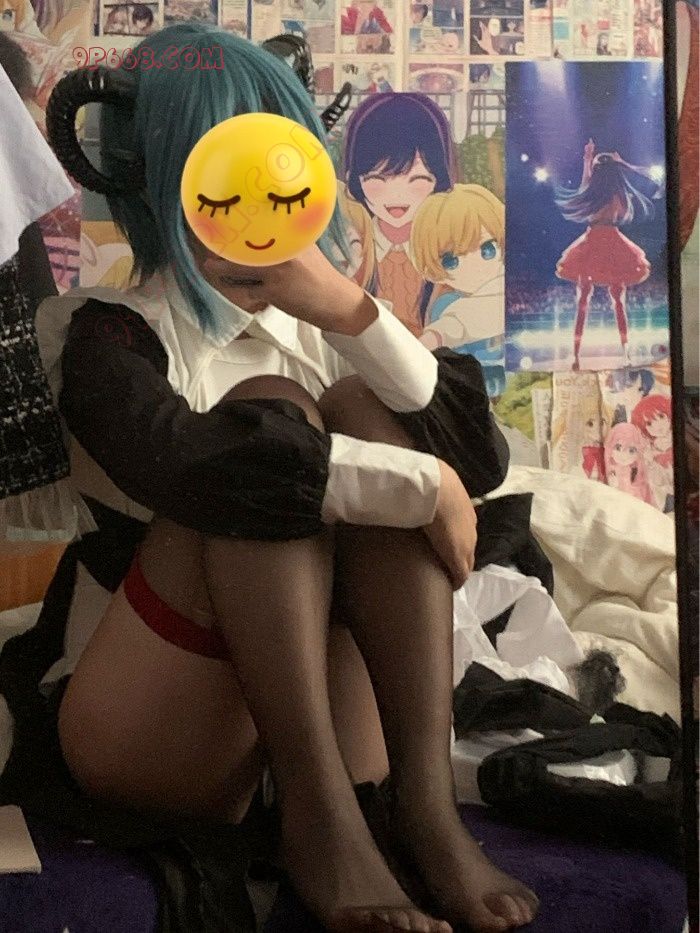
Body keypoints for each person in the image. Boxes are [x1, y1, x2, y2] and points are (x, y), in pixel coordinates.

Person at [33, 23, 538, 933]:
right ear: (156, 173)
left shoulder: (333, 328)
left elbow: (480, 459)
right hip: (162, 723)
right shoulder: (102, 333)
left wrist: (353, 312)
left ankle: (424, 811)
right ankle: (320, 823)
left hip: (352, 728)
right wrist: (419, 485)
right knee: (270, 408)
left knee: (357, 403)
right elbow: (205, 466)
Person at [343, 93, 457, 335]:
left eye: (417, 179)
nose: (396, 195)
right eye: (378, 178)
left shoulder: (454, 252)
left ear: (439, 180)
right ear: (355, 180)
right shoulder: (349, 249)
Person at [555, 139, 663, 371]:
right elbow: (647, 179)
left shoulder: (592, 193)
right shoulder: (617, 193)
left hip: (593, 240)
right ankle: (625, 353)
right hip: (612, 241)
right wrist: (621, 163)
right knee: (617, 303)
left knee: (583, 302)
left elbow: (587, 181)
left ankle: (576, 355)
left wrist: (588, 160)